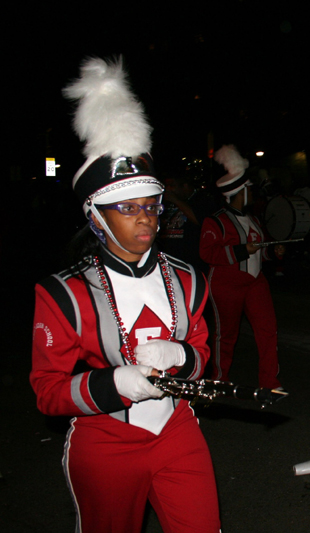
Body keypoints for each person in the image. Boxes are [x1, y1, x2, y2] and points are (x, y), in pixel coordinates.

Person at [30, 57, 219, 532]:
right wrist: (114, 383)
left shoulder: (188, 278)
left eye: (151, 206)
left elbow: (201, 356)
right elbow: (48, 392)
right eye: (128, 208)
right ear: (97, 216)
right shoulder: (64, 292)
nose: (146, 218)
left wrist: (181, 355)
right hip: (105, 442)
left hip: (177, 431)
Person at [200, 145, 285, 391]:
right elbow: (207, 253)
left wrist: (272, 252)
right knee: (226, 335)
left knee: (268, 331)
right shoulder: (215, 221)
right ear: (239, 192)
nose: (252, 193)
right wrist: (241, 250)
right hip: (226, 283)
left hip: (255, 282)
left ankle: (270, 382)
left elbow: (259, 251)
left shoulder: (254, 219)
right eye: (249, 189)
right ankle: (219, 380)